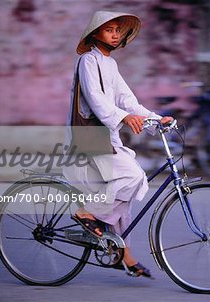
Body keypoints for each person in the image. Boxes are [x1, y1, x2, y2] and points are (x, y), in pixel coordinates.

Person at [63, 11, 173, 278]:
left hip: (106, 136)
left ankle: (124, 255)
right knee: (132, 176)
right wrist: (125, 117)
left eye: (117, 30)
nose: (114, 34)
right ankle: (85, 213)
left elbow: (127, 99)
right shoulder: (88, 61)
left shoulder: (110, 65)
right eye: (108, 29)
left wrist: (156, 119)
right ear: (95, 33)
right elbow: (98, 101)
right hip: (89, 135)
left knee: (124, 194)